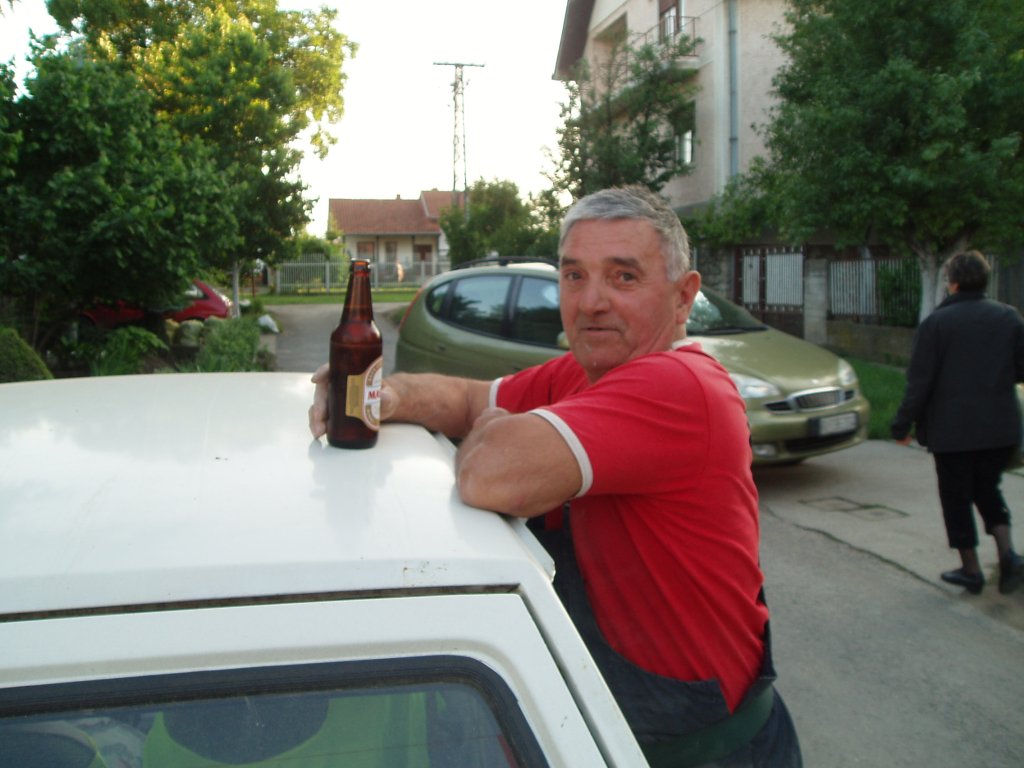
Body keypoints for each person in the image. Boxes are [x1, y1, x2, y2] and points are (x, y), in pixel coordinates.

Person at [310, 186, 801, 767]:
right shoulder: (584, 374)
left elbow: (491, 476)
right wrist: (379, 395)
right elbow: (466, 399)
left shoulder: (680, 386)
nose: (590, 302)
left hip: (708, 753)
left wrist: (496, 433)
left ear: (683, 296)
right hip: (623, 735)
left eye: (623, 277)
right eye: (574, 276)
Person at [891, 249, 1024, 595]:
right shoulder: (1009, 317)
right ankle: (1009, 556)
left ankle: (971, 570)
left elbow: (919, 383)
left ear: (952, 283)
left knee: (956, 498)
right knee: (988, 489)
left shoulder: (936, 324)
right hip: (1000, 428)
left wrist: (902, 425)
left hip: (953, 434)